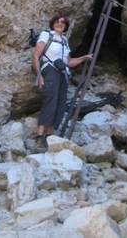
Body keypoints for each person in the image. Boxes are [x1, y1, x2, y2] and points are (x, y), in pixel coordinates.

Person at [32, 14, 93, 151]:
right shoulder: (46, 35)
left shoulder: (65, 41)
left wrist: (84, 58)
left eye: (63, 23)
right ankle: (39, 136)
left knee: (60, 104)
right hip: (50, 71)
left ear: (65, 26)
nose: (60, 24)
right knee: (50, 101)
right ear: (53, 23)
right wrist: (40, 76)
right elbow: (36, 55)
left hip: (63, 74)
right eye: (57, 21)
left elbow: (69, 62)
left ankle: (50, 135)